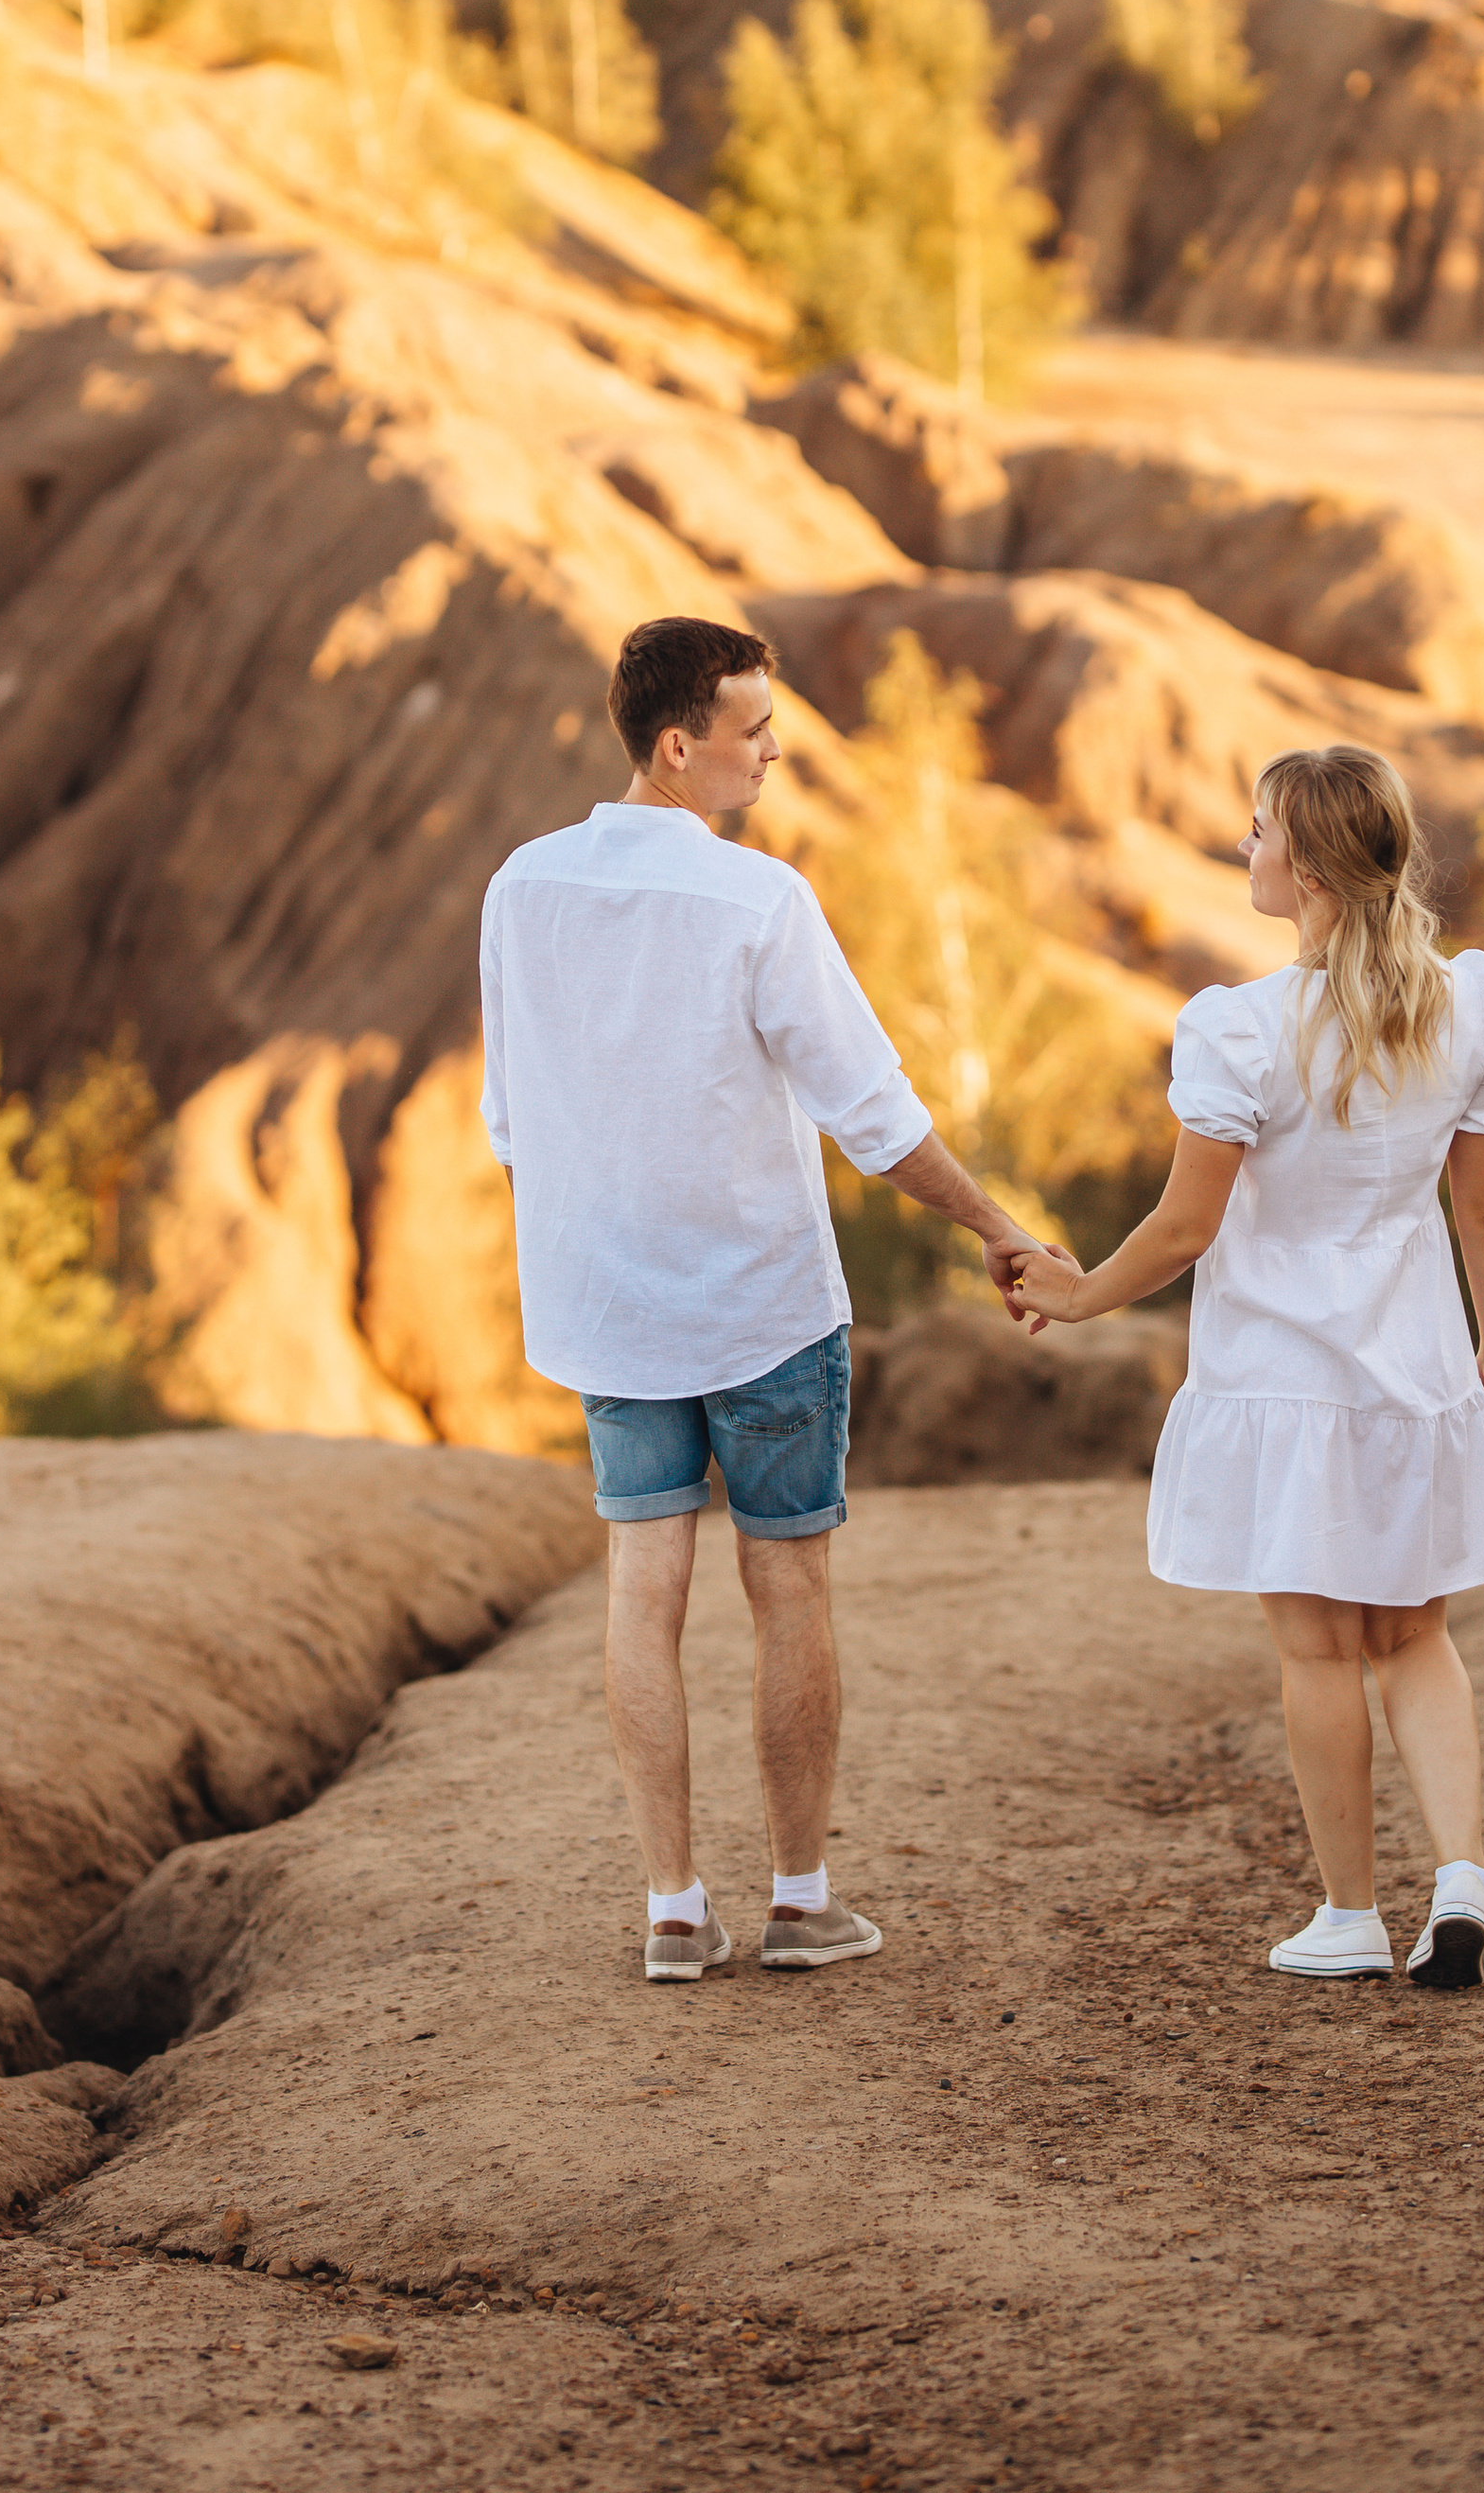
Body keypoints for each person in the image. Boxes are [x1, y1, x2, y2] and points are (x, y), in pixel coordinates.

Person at [480, 614, 1030, 1983]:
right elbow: (876, 1120)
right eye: (754, 730)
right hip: (759, 1301)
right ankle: (800, 1901)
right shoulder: (757, 901)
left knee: (640, 1584)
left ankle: (672, 1911)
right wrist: (997, 1226)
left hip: (606, 1303)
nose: (775, 749)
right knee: (786, 1584)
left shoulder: (519, 890)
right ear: (680, 749)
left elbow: (510, 1119)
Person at [998, 745, 1484, 1993]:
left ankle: (1349, 1915)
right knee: (1413, 1636)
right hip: (1415, 1370)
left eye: (1256, 835)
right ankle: (1460, 1879)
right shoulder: (1467, 1006)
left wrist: (1077, 1298)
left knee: (1317, 1652)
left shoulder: (1240, 1030)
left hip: (1284, 1381)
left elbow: (1186, 1227)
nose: (1245, 850)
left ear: (1307, 867)